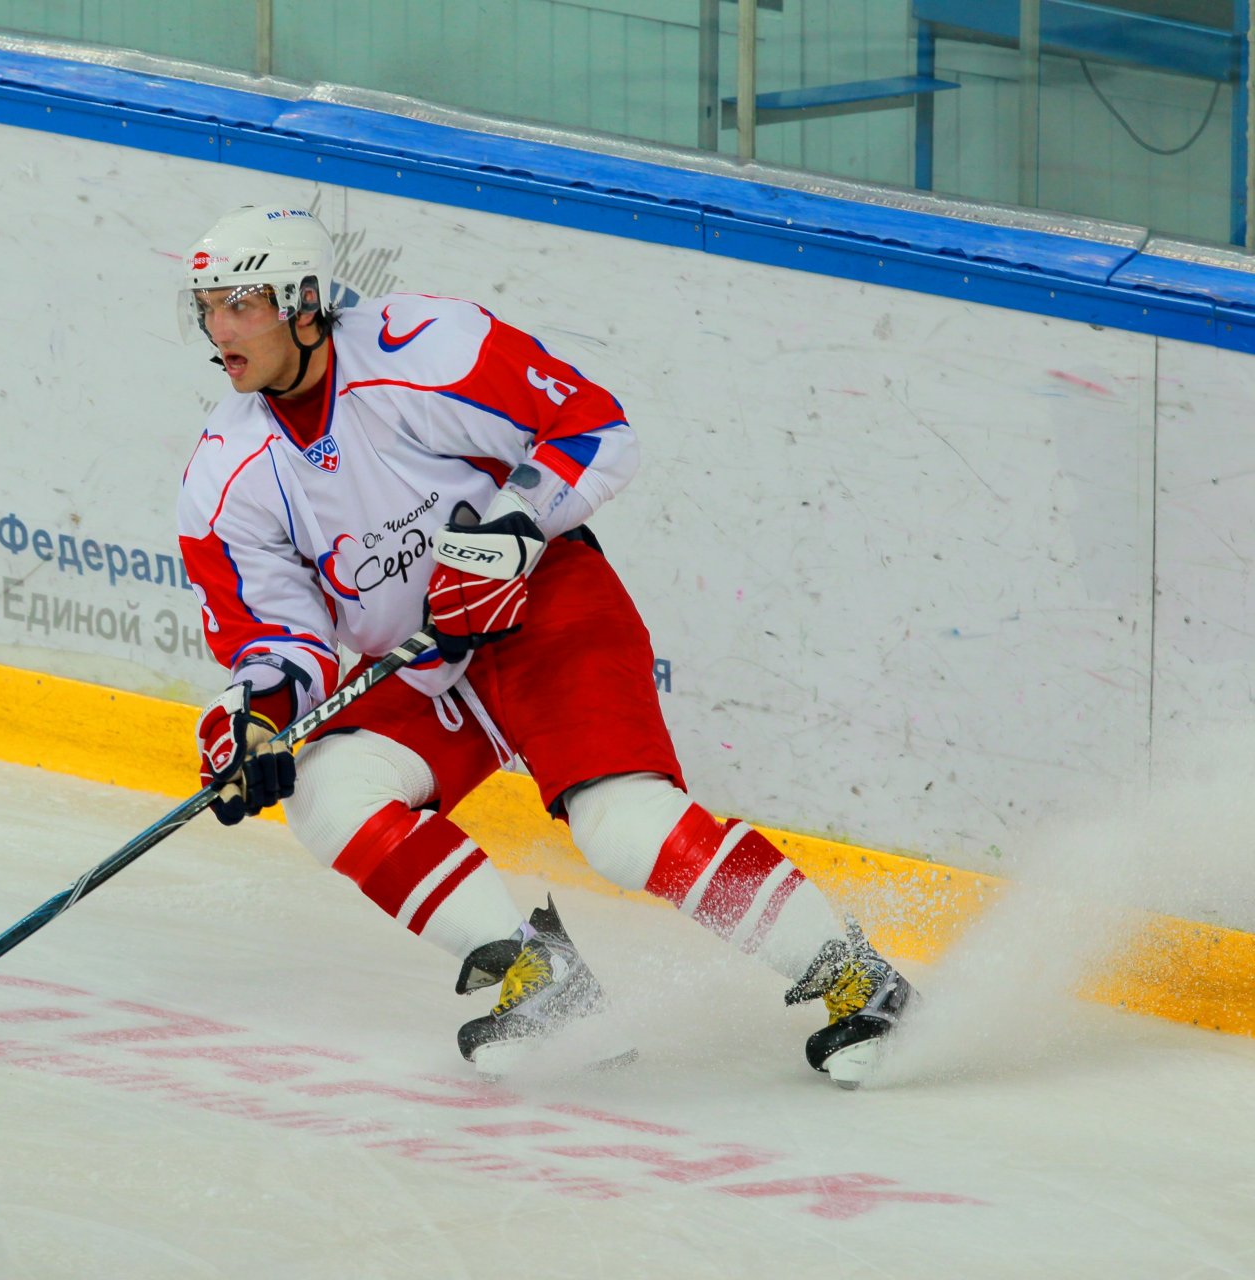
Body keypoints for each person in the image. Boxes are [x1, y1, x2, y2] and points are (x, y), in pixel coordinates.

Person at [174, 204, 914, 1086]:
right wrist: (259, 719)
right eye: (207, 308)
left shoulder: (428, 349)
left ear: (304, 304)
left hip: (542, 607)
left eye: (241, 305)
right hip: (424, 660)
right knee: (327, 789)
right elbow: (280, 635)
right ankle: (546, 979)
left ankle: (857, 977)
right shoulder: (226, 472)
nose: (221, 331)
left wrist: (513, 527)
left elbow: (595, 429)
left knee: (621, 826)